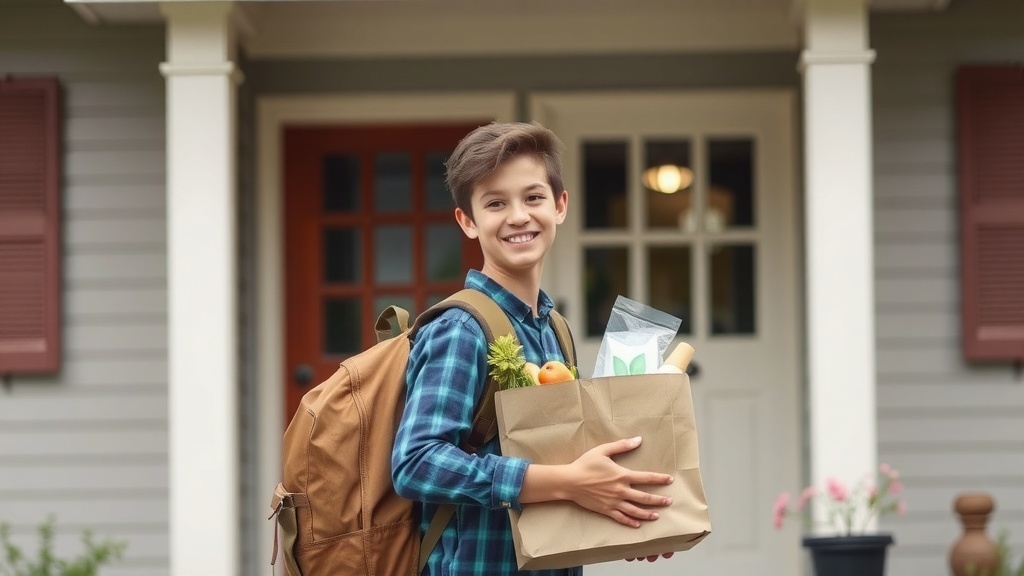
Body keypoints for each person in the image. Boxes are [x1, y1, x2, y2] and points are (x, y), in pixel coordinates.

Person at [392, 121, 674, 576]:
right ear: (467, 221)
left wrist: (625, 512)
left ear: (560, 206)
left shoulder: (555, 330)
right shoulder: (461, 328)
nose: (519, 216)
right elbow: (417, 463)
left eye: (533, 197)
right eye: (496, 203)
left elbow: (566, 467)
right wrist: (561, 481)